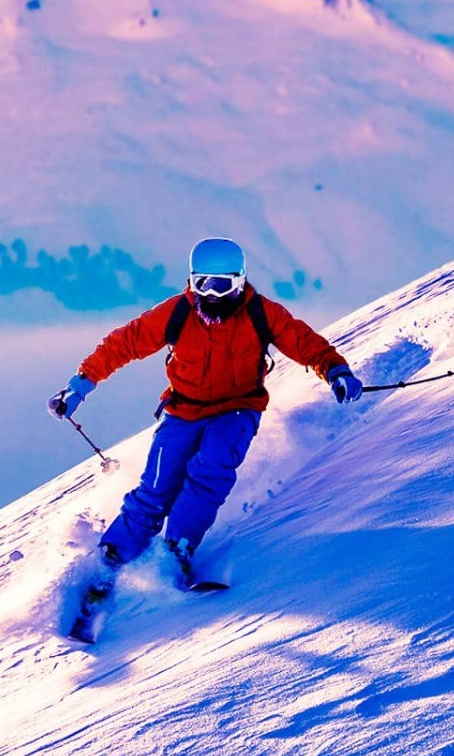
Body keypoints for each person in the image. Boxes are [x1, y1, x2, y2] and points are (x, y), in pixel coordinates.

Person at [47, 236, 362, 589]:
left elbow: (303, 341)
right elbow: (124, 343)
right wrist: (80, 386)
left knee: (210, 470)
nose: (211, 295)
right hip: (183, 408)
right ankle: (111, 558)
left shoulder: (262, 313)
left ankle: (176, 551)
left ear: (239, 281)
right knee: (156, 486)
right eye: (202, 285)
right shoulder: (178, 312)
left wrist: (336, 370)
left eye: (221, 285)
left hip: (238, 409)